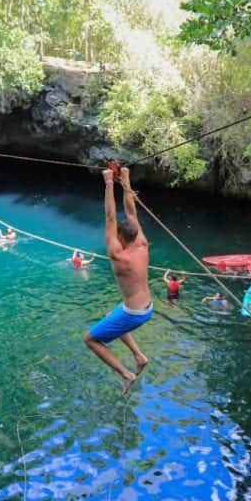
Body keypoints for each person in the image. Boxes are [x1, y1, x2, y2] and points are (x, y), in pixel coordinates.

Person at [84, 167, 152, 393]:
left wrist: (108, 183)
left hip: (134, 313)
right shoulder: (142, 243)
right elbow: (131, 212)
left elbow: (110, 217)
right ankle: (139, 356)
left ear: (121, 237)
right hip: (147, 307)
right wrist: (125, 180)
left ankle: (126, 374)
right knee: (110, 315)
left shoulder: (118, 255)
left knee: (90, 339)